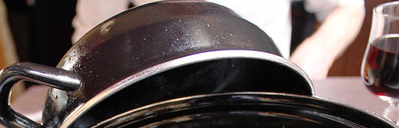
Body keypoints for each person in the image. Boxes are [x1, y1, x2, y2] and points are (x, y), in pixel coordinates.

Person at [71, 0, 365, 80]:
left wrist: (315, 54)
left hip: (264, 89)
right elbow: (91, 37)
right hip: (155, 97)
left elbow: (347, 7)